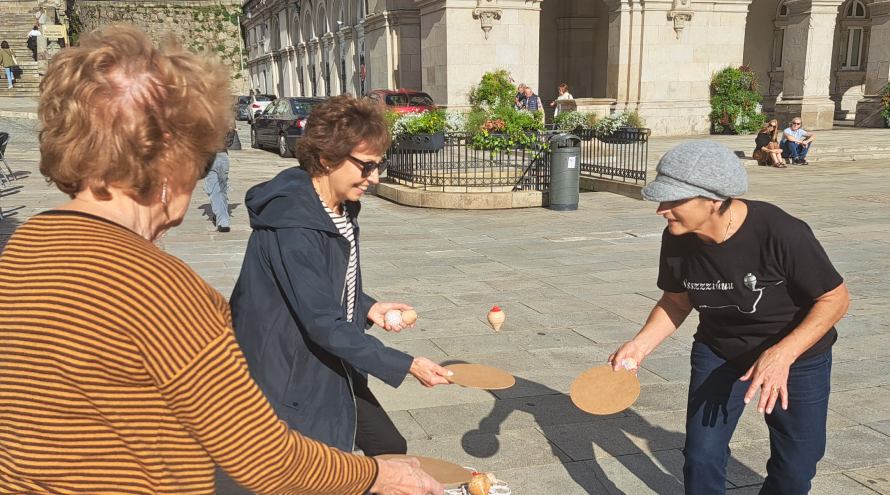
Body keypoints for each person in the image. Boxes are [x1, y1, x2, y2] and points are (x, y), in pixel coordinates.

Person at [0, 25, 443, 495]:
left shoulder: (23, 249)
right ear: (169, 160)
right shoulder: (160, 290)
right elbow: (261, 457)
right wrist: (377, 475)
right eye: (200, 159)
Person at [608, 140, 849, 495]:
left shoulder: (781, 231)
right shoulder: (677, 238)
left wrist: (783, 353)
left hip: (798, 357)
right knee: (702, 455)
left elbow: (835, 298)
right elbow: (676, 302)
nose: (661, 209)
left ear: (715, 200)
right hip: (720, 351)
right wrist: (639, 346)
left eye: (674, 200)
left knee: (797, 465)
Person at [230, 94, 454, 457]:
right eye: (366, 166)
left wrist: (368, 307)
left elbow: (322, 283)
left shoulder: (338, 208)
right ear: (326, 157)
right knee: (325, 467)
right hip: (291, 371)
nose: (375, 177)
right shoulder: (295, 225)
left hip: (332, 357)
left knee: (388, 446)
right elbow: (321, 320)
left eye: (378, 165)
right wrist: (406, 364)